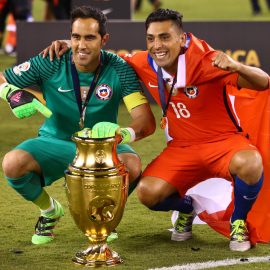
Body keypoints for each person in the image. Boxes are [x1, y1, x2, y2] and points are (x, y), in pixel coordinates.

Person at [41, 9, 270, 252]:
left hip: (222, 143)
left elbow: (263, 81)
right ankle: (186, 208)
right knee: (147, 193)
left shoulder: (208, 61)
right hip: (182, 147)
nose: (157, 45)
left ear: (182, 39)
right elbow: (108, 58)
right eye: (151, 38)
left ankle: (238, 221)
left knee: (251, 162)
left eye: (164, 37)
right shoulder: (143, 62)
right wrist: (78, 45)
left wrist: (237, 67)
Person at [0, 5, 155, 246]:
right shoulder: (51, 60)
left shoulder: (119, 69)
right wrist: (9, 92)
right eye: (75, 37)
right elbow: (2, 78)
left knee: (131, 165)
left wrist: (121, 133)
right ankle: (50, 211)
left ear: (104, 39)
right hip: (54, 141)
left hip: (102, 147)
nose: (81, 45)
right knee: (12, 163)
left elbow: (146, 121)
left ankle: (105, 218)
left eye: (90, 38)